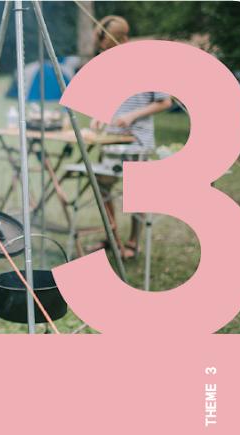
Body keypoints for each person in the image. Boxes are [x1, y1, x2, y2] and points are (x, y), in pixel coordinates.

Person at [85, 15, 173, 260]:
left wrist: (133, 115)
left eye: (110, 48)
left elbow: (165, 101)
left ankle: (133, 242)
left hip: (138, 141)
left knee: (138, 193)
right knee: (101, 184)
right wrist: (98, 116)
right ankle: (111, 235)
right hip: (112, 140)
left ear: (124, 39)